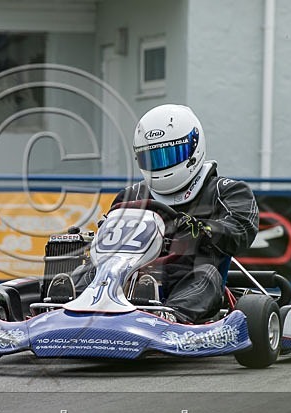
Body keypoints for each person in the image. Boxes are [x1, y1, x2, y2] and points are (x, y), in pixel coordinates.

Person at [50, 104, 259, 323]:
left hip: (186, 275)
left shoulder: (226, 190)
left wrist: (201, 228)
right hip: (126, 275)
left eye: (169, 154)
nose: (161, 165)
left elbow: (241, 229)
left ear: (193, 148)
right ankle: (64, 310)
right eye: (153, 158)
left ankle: (167, 319)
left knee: (206, 275)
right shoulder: (131, 194)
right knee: (92, 269)